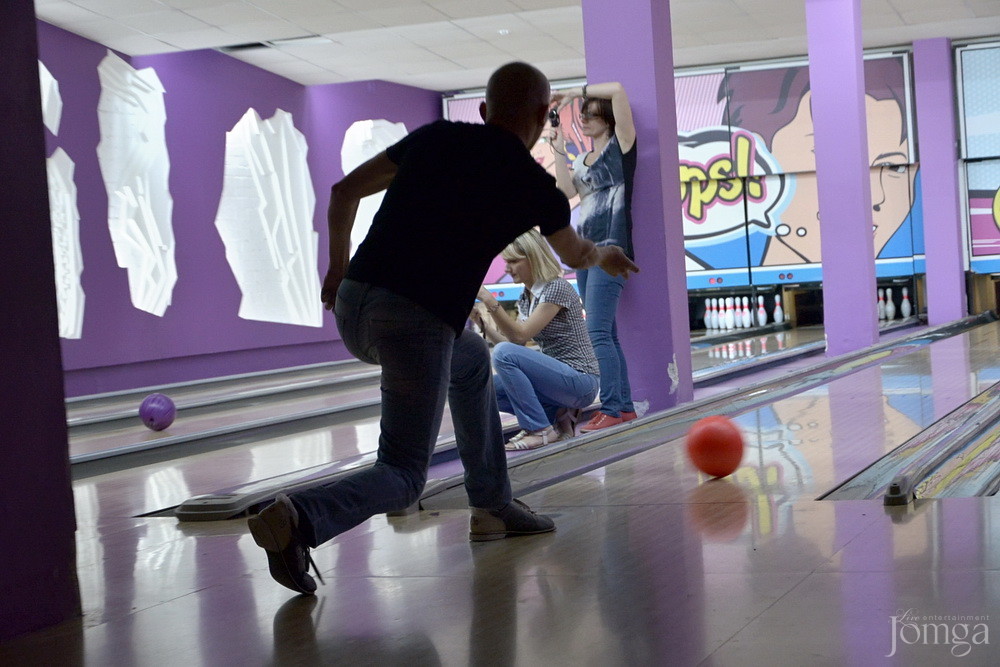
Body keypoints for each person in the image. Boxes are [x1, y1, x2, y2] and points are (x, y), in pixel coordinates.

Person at [247, 61, 639, 595]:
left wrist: (336, 270)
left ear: (482, 112)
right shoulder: (533, 184)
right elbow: (578, 252)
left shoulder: (432, 138)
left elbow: (342, 193)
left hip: (355, 304)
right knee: (405, 473)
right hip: (415, 317)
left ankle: (493, 504)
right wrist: (608, 255)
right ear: (542, 114)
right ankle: (299, 517)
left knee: (473, 357)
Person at [549, 82, 638, 432]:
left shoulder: (622, 147)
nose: (583, 119)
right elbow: (565, 190)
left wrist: (574, 93)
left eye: (590, 114)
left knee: (596, 332)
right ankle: (624, 407)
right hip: (586, 252)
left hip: (611, 248)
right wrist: (558, 149)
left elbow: (618, 90)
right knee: (607, 333)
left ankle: (613, 407)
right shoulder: (583, 160)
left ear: (607, 118)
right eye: (581, 115)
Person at [472, 229, 600, 451]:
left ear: (533, 257)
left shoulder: (556, 288)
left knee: (503, 354)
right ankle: (556, 415)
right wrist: (483, 321)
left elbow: (519, 337)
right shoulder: (526, 296)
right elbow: (515, 344)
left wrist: (488, 299)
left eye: (513, 261)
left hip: (582, 381)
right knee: (482, 387)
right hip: (558, 381)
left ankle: (539, 429)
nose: (506, 268)